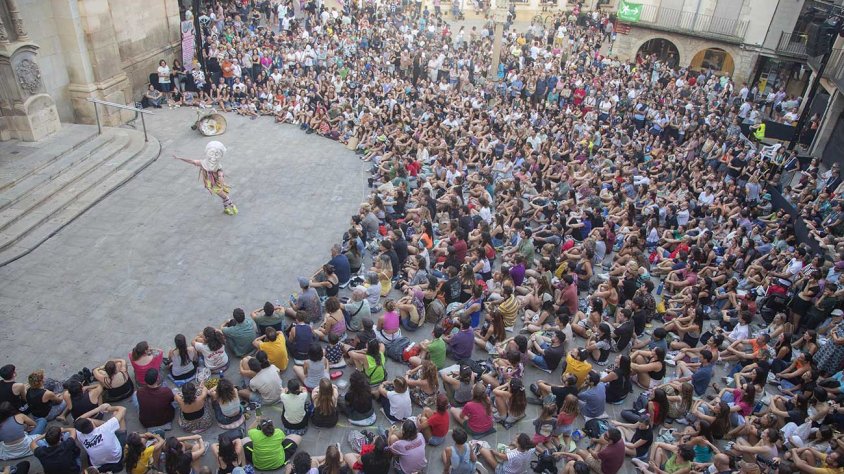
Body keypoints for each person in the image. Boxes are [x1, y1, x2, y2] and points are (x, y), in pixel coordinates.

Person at [174, 141, 237, 215]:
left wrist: (222, 183)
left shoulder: (217, 167)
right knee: (225, 197)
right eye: (211, 154)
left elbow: (220, 176)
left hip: (217, 185)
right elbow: (191, 161)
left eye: (216, 155)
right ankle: (232, 206)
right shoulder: (203, 163)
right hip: (214, 186)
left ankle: (226, 209)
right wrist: (179, 158)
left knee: (224, 197)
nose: (213, 158)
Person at [74, 403, 128, 472]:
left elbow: (78, 420)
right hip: (116, 458)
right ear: (92, 424)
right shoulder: (105, 428)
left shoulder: (79, 434)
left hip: (97, 464)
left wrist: (98, 409)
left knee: (111, 424)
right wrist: (107, 408)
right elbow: (122, 409)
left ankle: (113, 424)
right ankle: (114, 425)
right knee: (117, 414)